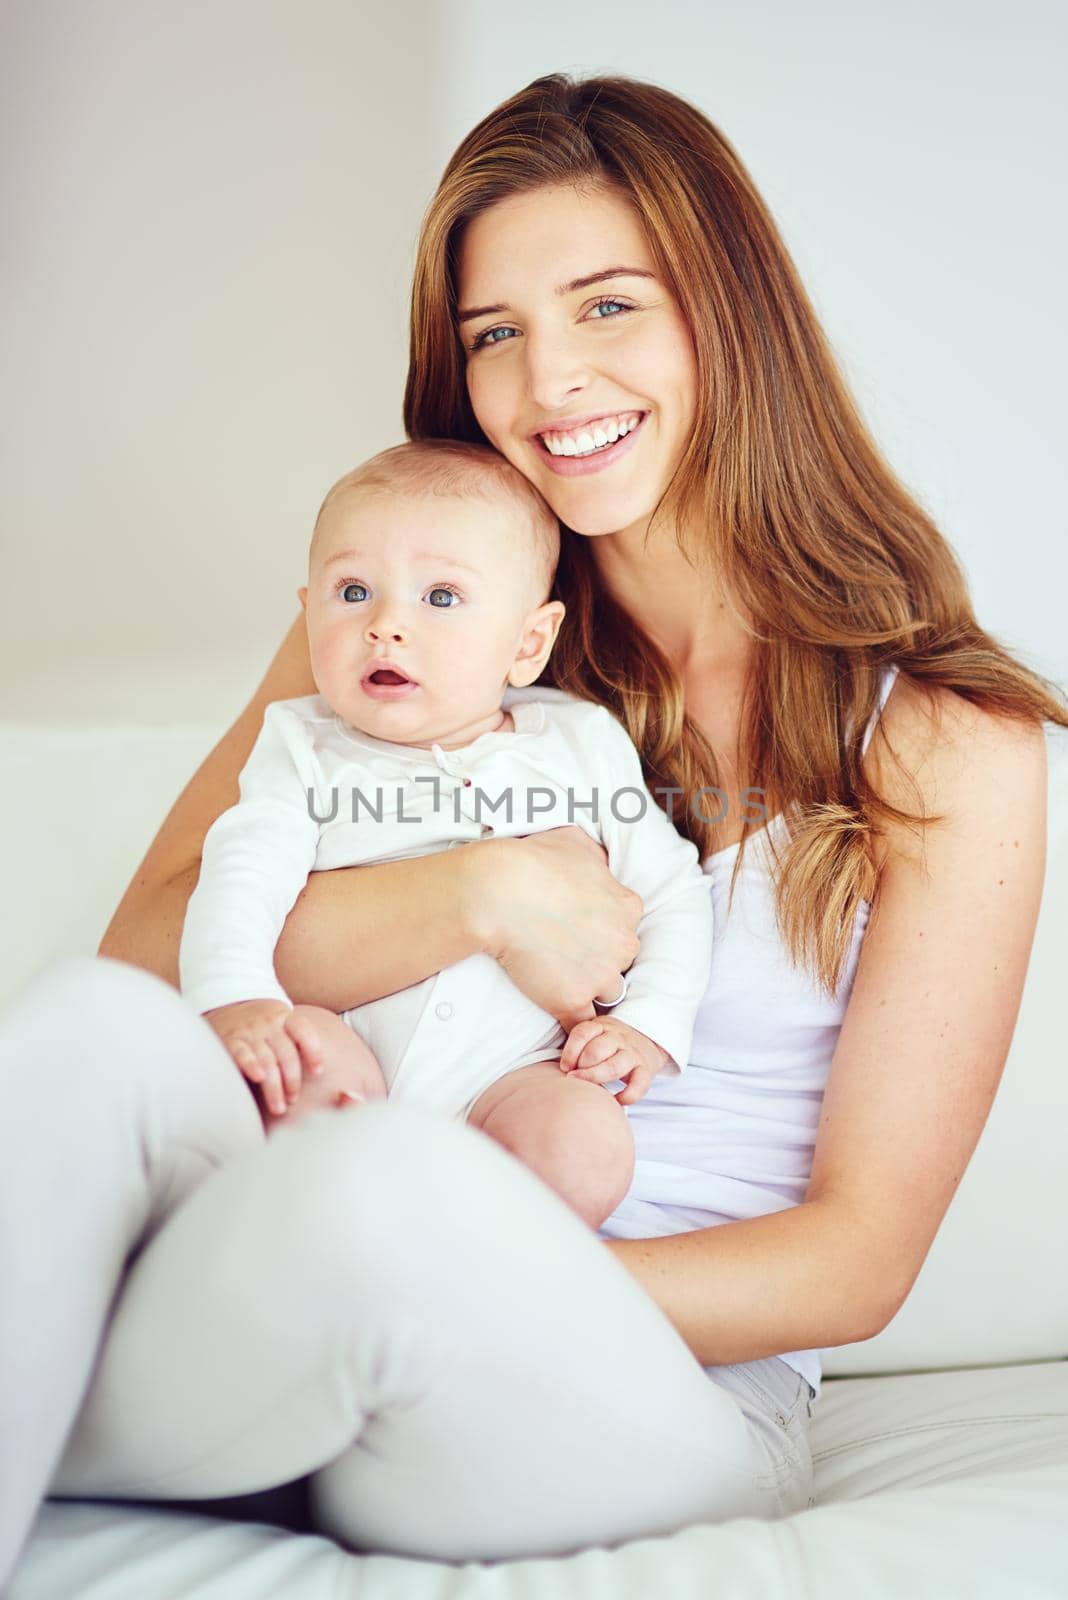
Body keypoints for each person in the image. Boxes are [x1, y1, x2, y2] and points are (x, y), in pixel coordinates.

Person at [2, 70, 1065, 1585]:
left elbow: (859, 1260)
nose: (549, 380)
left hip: (643, 1379)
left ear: (729, 316)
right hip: (320, 1283)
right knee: (89, 1035)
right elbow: (147, 953)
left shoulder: (954, 739)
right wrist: (478, 894)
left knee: (385, 1194)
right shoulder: (411, 621)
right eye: (495, 333)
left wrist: (487, 1275)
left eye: (607, 306)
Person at [179, 438, 715, 1229]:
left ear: (528, 643)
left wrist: (648, 1025)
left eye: (440, 598)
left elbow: (671, 889)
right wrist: (239, 998)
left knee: (584, 1143)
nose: (386, 626)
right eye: (353, 590)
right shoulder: (303, 746)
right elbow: (241, 874)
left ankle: (467, 1259)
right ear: (307, 612)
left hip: (510, 1073)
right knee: (289, 1073)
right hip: (358, 1053)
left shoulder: (579, 744)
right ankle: (339, 1240)